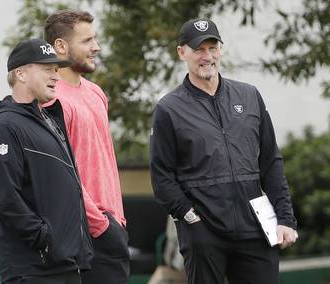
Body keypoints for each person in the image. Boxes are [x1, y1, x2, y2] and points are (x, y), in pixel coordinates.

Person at [149, 18, 298, 284]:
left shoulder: (249, 96)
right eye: (198, 49)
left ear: (220, 49)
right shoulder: (169, 109)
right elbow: (162, 178)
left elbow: (271, 162)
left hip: (254, 228)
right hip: (204, 233)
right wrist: (190, 217)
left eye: (212, 47)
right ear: (182, 52)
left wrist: (285, 218)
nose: (207, 56)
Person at [0, 38, 93, 284]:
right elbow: (3, 196)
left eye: (56, 70)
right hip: (34, 269)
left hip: (65, 265)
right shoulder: (5, 125)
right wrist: (44, 238)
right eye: (46, 69)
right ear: (20, 74)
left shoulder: (50, 122)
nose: (56, 76)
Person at [44, 10, 130, 284]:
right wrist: (100, 225)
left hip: (112, 227)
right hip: (86, 233)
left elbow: (104, 161)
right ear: (61, 46)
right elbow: (59, 173)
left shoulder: (96, 93)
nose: (97, 47)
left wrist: (117, 221)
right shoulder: (52, 99)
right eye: (87, 41)